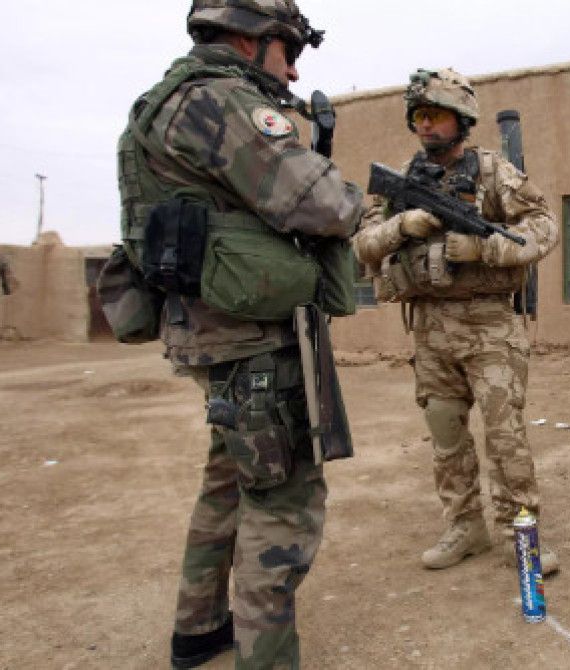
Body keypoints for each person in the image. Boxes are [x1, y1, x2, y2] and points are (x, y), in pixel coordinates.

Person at [114, 2, 364, 668]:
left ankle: (199, 628)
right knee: (282, 505)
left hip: (206, 334)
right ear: (251, 39)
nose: (294, 69)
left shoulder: (154, 108)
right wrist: (356, 200)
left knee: (228, 480)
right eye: (289, 50)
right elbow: (324, 203)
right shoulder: (223, 101)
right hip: (253, 340)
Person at [353, 68, 561, 573]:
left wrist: (481, 248)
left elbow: (543, 227)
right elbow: (362, 245)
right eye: (418, 117)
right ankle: (465, 528)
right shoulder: (401, 182)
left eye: (435, 115)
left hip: (490, 325)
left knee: (505, 437)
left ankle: (521, 537)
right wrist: (403, 225)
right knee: (446, 436)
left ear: (462, 119)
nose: (425, 125)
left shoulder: (493, 172)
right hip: (430, 327)